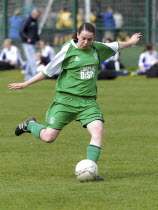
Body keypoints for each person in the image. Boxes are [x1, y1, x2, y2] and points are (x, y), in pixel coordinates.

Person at [8, 23, 141, 181]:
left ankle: (90, 169)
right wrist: (25, 84)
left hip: (88, 103)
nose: (86, 42)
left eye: (89, 39)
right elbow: (47, 71)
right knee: (48, 137)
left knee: (98, 130)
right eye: (83, 38)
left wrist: (131, 42)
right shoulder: (68, 50)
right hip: (65, 101)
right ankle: (29, 125)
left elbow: (116, 45)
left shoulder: (97, 49)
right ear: (77, 34)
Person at [19, 8, 41, 81]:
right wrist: (27, 38)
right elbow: (21, 31)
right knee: (32, 59)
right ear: (34, 14)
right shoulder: (27, 20)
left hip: (33, 43)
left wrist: (38, 40)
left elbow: (35, 33)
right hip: (27, 43)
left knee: (30, 59)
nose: (38, 17)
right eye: (37, 15)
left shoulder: (35, 21)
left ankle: (28, 76)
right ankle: (35, 74)